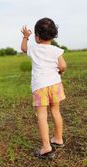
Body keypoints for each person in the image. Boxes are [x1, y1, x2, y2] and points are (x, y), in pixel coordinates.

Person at [21, 18, 67, 159]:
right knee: (55, 111)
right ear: (53, 35)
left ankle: (46, 146)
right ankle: (58, 138)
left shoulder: (34, 49)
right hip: (55, 85)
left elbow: (23, 49)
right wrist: (61, 72)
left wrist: (25, 37)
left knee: (42, 115)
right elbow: (63, 65)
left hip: (40, 86)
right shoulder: (56, 50)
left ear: (37, 36)